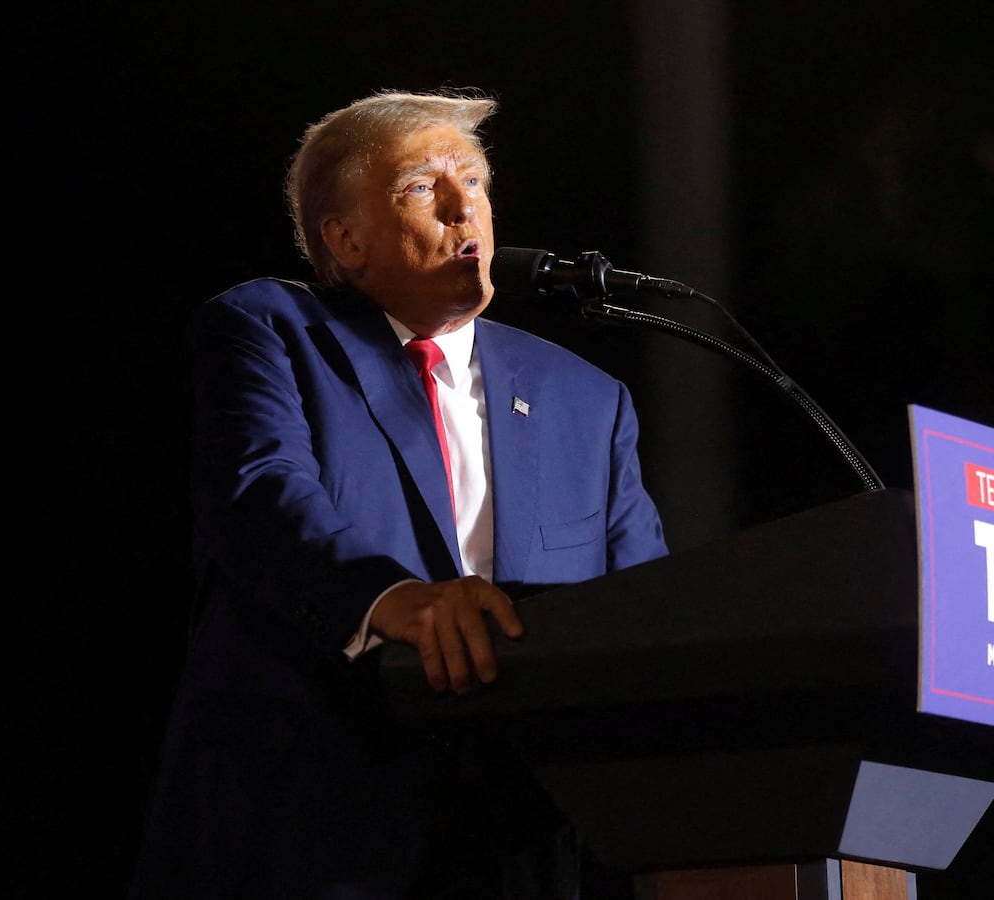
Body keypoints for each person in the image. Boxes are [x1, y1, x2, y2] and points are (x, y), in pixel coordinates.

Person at [129, 88, 669, 900]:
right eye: (422, 187)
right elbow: (263, 498)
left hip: (525, 847)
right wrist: (394, 599)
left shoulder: (586, 399)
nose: (463, 207)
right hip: (314, 836)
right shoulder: (274, 331)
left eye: (474, 181)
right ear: (345, 239)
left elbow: (647, 606)